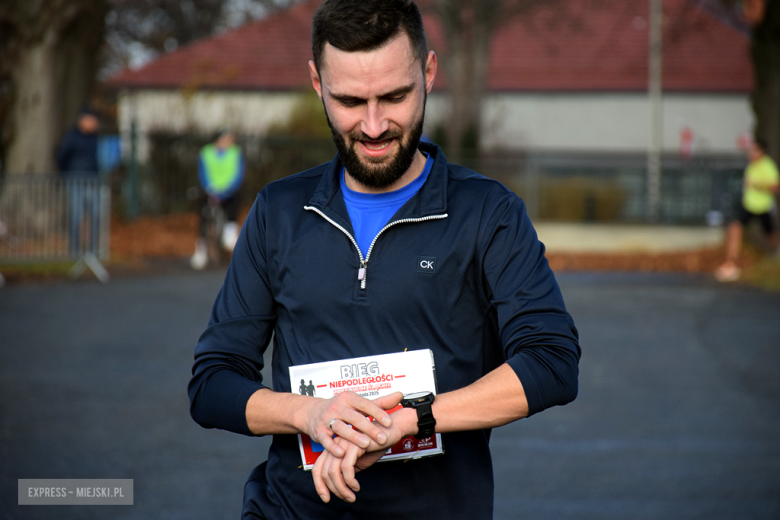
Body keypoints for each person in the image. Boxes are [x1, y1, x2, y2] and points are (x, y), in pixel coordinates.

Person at [188, 1, 580, 518]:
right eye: (350, 100)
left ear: (429, 72)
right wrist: (309, 413)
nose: (373, 126)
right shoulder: (278, 212)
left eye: (394, 96)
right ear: (316, 83)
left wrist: (410, 419)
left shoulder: (489, 213)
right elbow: (212, 382)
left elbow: (552, 362)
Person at [715, 138, 779, 282]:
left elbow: (775, 188)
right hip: (748, 206)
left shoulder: (768, 166)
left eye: (754, 150)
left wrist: (756, 185)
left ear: (761, 152)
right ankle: (731, 264)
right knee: (735, 227)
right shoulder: (752, 165)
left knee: (771, 236)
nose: (750, 152)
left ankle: (777, 255)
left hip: (763, 207)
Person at [190, 128, 245, 270]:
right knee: (203, 215)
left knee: (234, 204)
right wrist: (210, 189)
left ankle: (230, 234)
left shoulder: (235, 152)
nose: (231, 141)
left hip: (229, 191)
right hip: (210, 190)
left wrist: (227, 190)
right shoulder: (206, 152)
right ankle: (201, 250)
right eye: (228, 138)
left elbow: (238, 174)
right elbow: (202, 173)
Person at [56, 106, 101, 257]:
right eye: (92, 120)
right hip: (75, 180)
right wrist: (67, 173)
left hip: (92, 181)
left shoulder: (94, 138)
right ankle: (74, 250)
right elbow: (62, 156)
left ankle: (93, 250)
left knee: (95, 214)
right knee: (76, 215)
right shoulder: (72, 137)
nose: (94, 123)